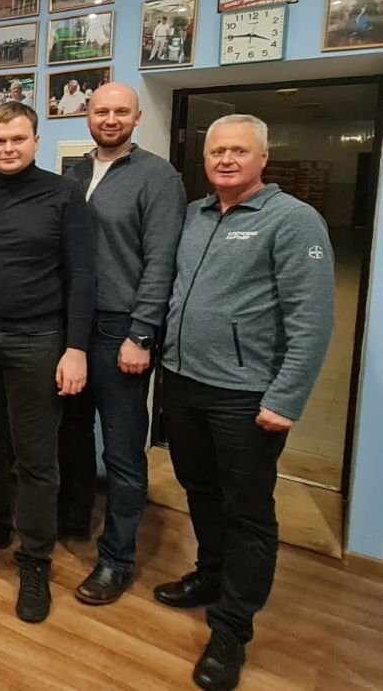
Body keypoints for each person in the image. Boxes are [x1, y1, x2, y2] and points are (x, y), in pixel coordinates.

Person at [157, 114, 334, 690]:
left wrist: (285, 399)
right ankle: (210, 575)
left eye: (239, 150)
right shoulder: (194, 214)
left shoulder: (293, 220)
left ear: (263, 158)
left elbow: (312, 320)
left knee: (248, 511)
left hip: (245, 395)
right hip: (182, 382)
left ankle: (231, 628)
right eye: (217, 152)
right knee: (199, 490)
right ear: (205, 158)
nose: (226, 160)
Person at [0, 101, 95, 623]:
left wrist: (76, 348)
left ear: (36, 141)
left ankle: (34, 557)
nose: (8, 148)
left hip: (39, 340)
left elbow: (83, 274)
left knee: (37, 457)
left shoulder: (64, 193)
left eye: (18, 139)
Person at [59, 83, 185, 605]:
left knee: (123, 447)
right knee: (70, 432)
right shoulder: (73, 173)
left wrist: (141, 332)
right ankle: (72, 517)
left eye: (120, 112)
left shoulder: (159, 177)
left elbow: (162, 261)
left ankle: (117, 558)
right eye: (100, 111)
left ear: (136, 118)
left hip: (120, 328)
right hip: (71, 325)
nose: (109, 119)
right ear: (87, 116)